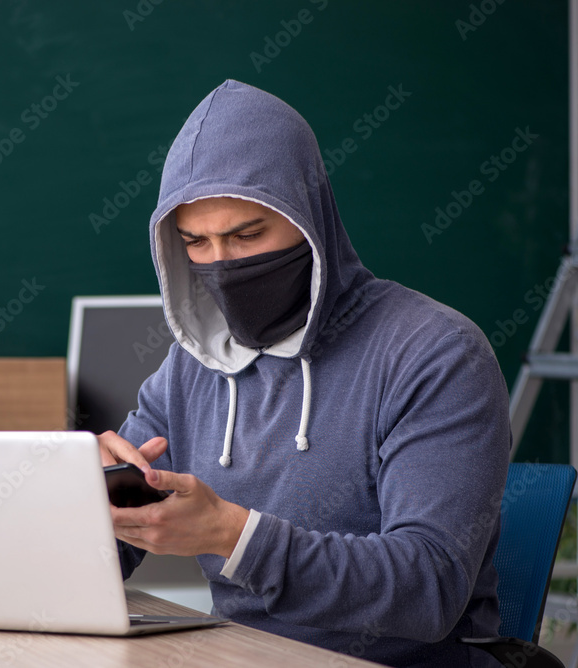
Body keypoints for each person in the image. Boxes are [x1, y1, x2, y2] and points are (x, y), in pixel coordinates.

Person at [98, 79, 510, 667]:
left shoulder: (436, 353)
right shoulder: (193, 365)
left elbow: (430, 586)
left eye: (247, 235)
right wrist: (81, 503)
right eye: (196, 242)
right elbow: (114, 538)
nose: (222, 265)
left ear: (310, 217)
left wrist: (233, 536)